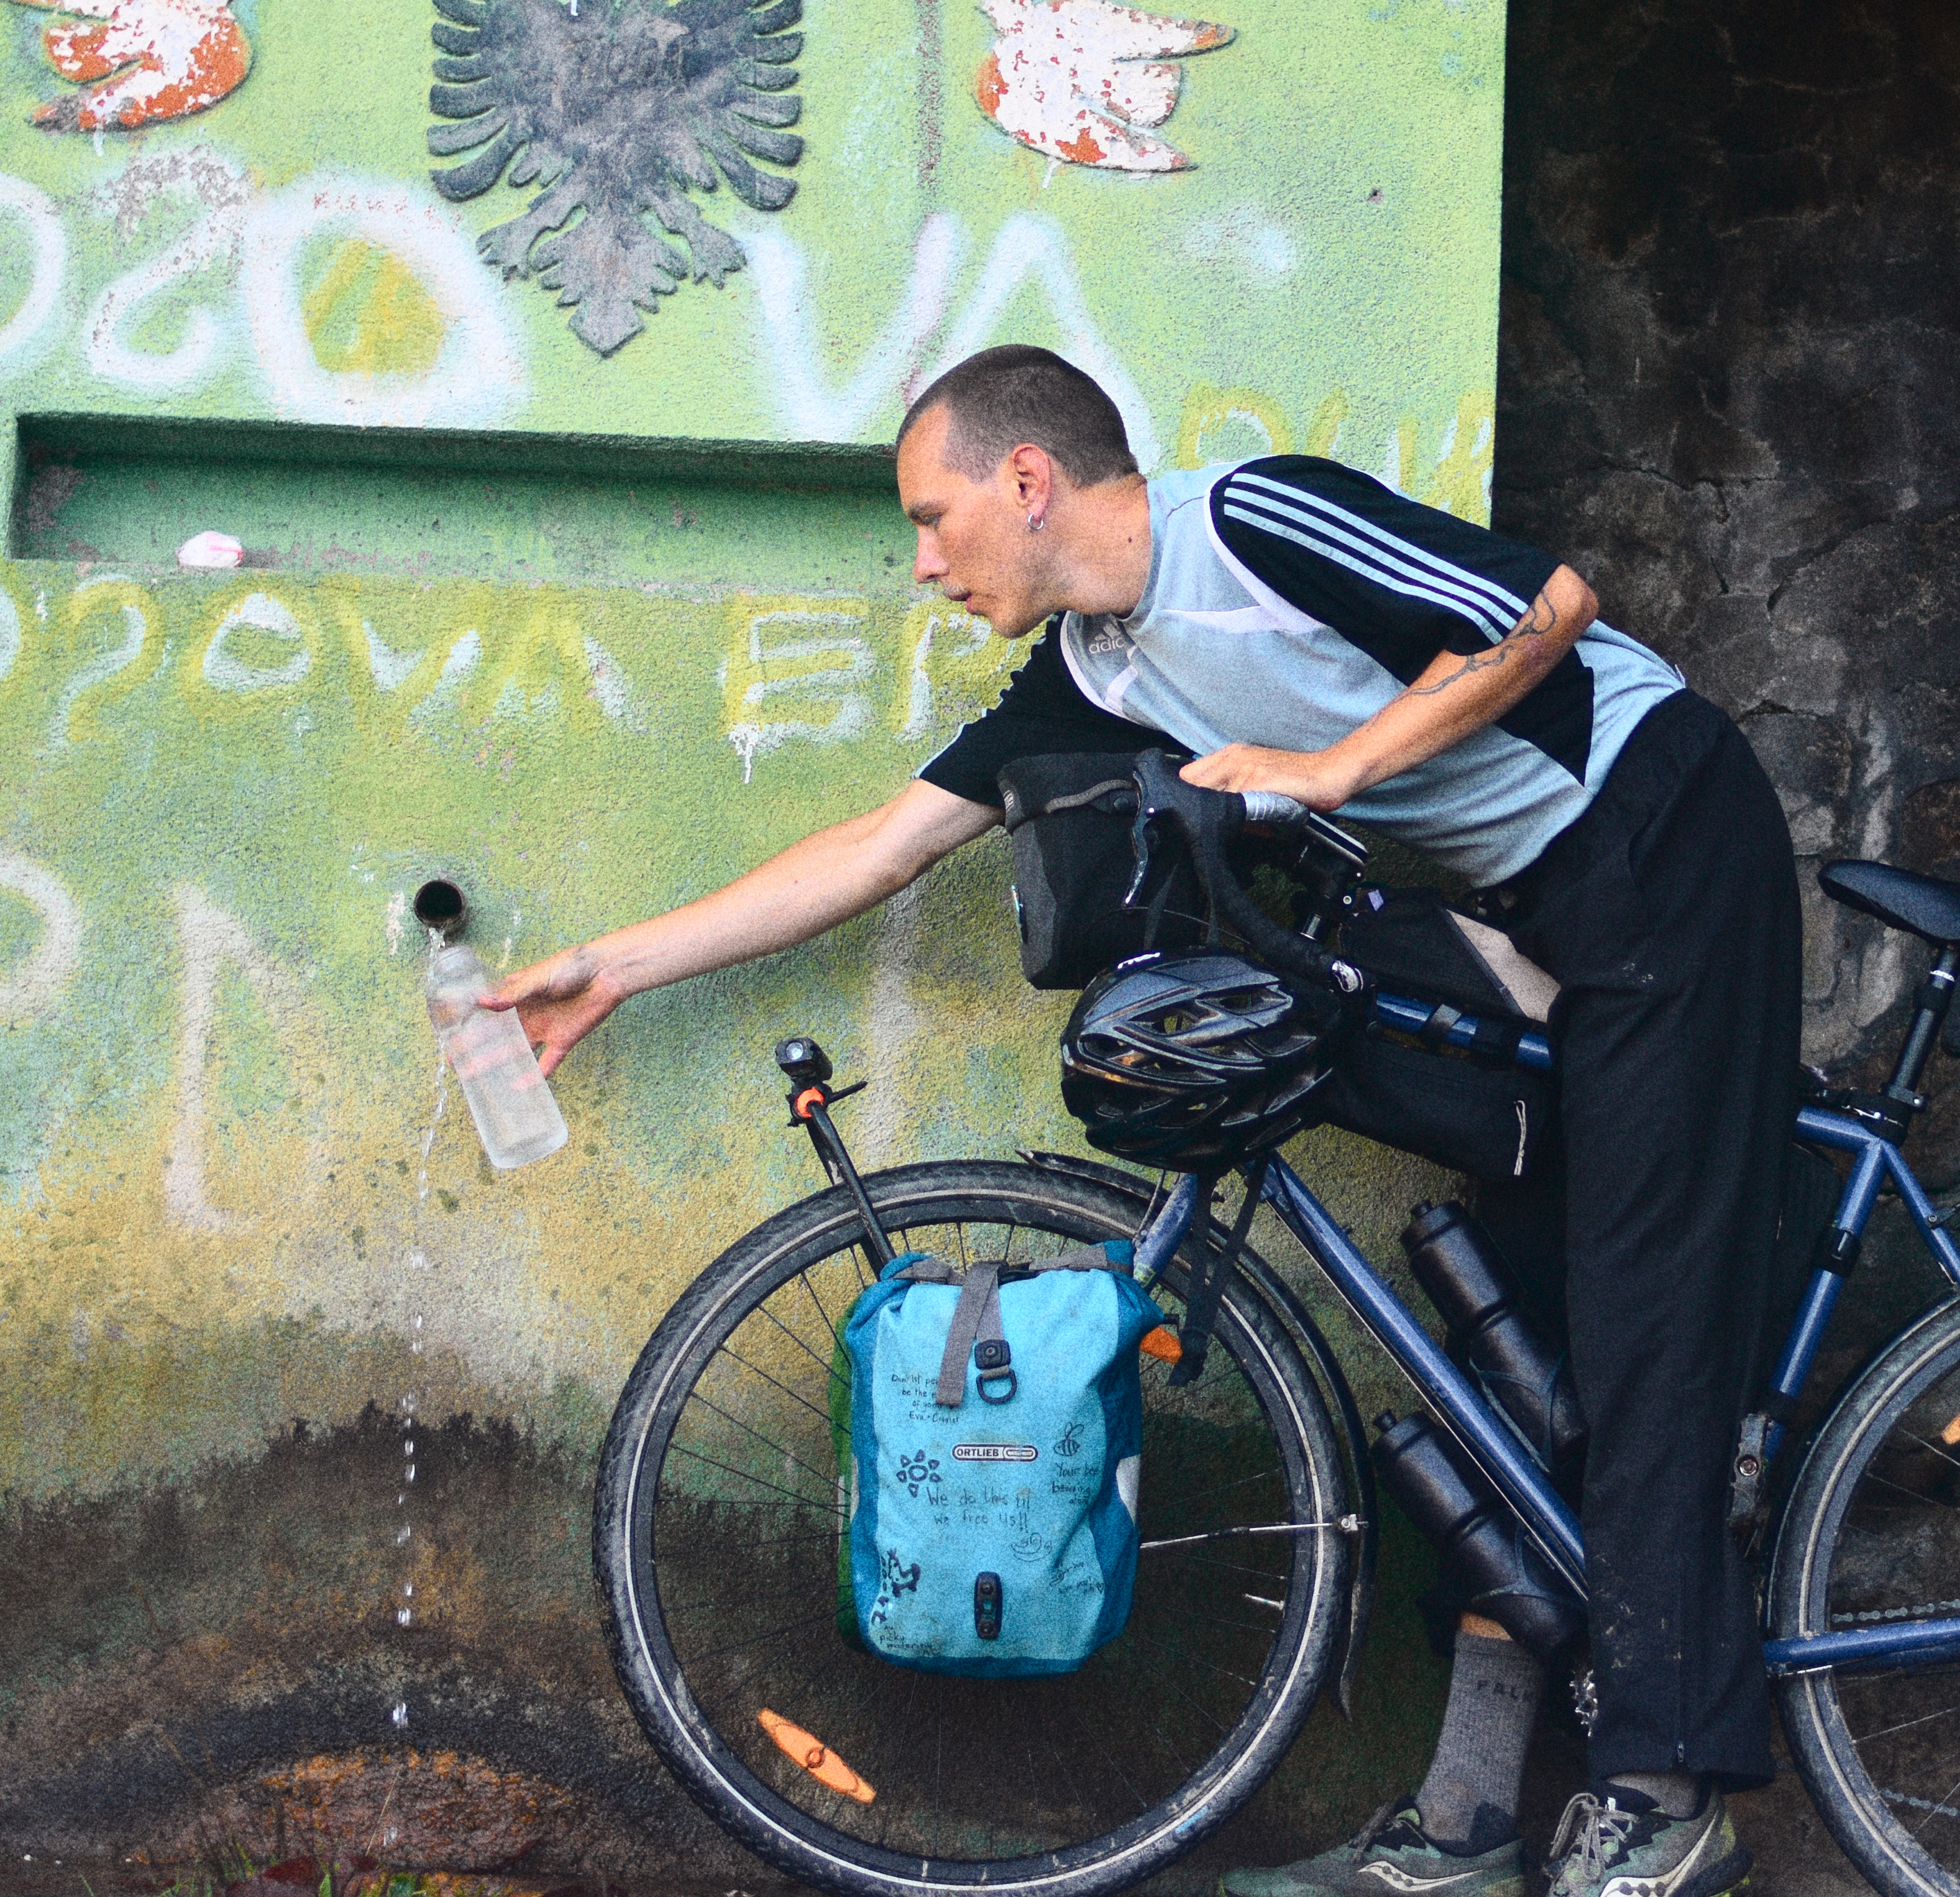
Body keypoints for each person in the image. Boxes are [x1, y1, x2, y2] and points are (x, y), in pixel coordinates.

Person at [488, 344, 1799, 1897]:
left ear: (1026, 480)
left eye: (932, 515)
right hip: (1518, 911)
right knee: (1500, 1326)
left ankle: (1668, 1794)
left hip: (1660, 843)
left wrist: (1332, 772)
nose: (921, 563)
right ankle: (1465, 1819)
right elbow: (882, 847)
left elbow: (1551, 610)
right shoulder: (1097, 673)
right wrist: (615, 968)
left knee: (1640, 1319)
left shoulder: (1253, 527)